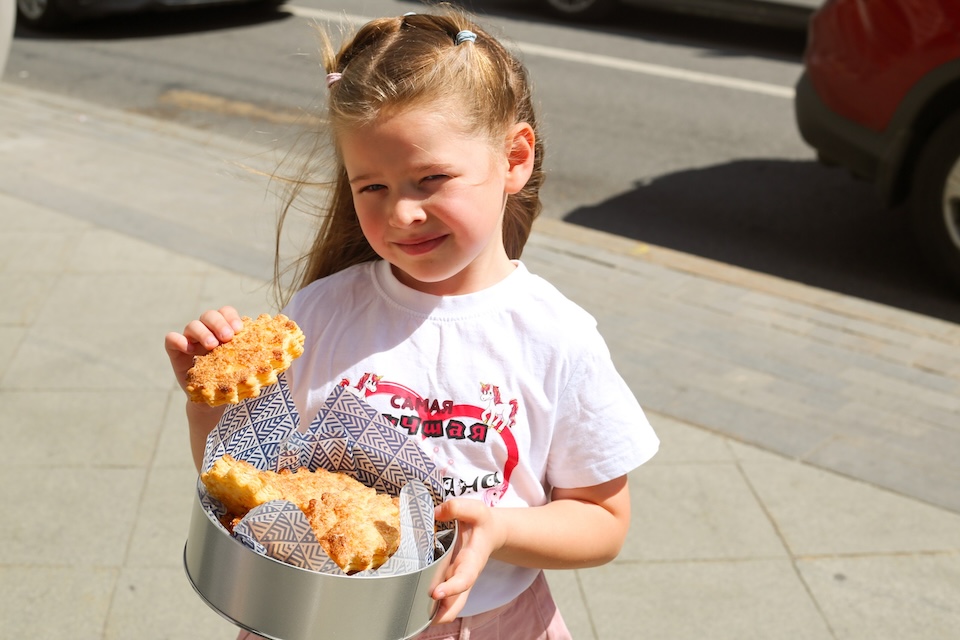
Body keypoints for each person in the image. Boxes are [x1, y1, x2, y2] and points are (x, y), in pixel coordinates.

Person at [165, 9, 659, 640]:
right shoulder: (320, 313)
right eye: (371, 187)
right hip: (316, 619)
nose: (401, 214)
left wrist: (501, 528)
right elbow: (245, 480)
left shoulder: (557, 338)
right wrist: (210, 405)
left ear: (514, 157)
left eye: (431, 179)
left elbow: (603, 521)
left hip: (489, 623)